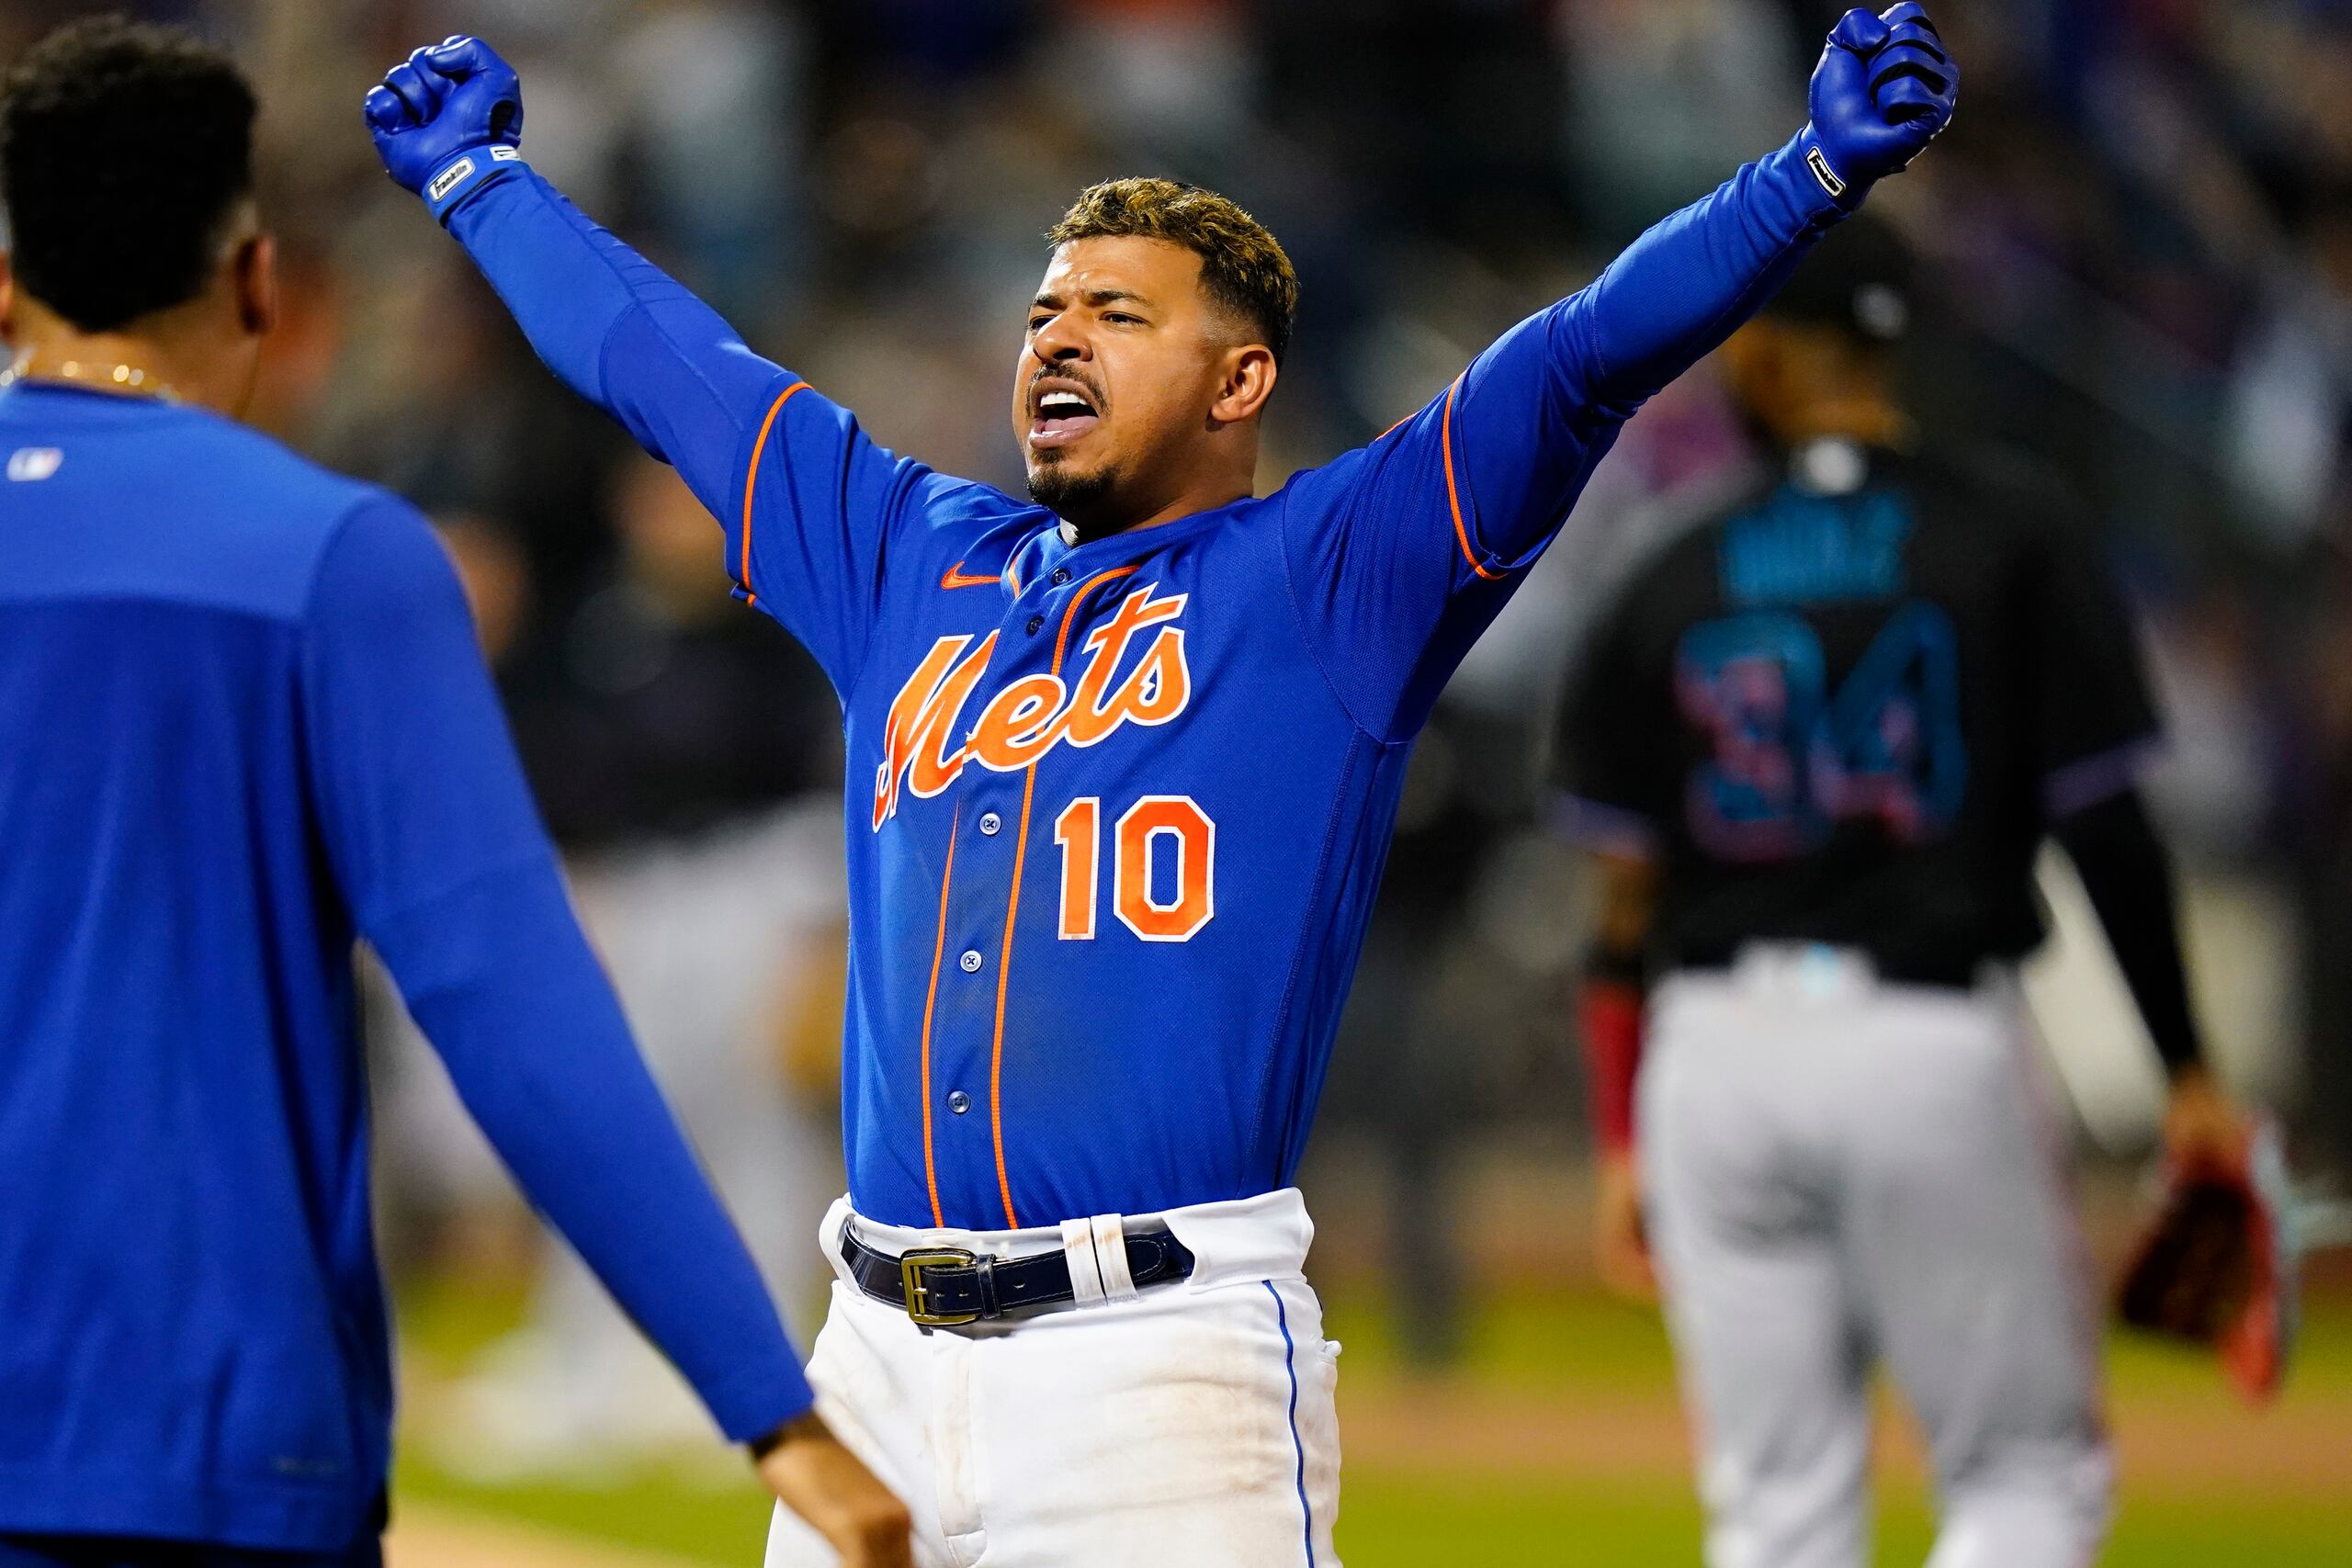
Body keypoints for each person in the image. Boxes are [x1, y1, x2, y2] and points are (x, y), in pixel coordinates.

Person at [363, 9, 1958, 1563]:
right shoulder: (908, 556)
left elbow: (1581, 359)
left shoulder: (1332, 577)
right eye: (1048, 310)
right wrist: (483, 188)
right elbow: (668, 366)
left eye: (1118, 314)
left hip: (1159, 1372)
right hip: (871, 1359)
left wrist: (1807, 173)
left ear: (1240, 381)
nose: (1055, 334)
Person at [0, 20, 908, 1568]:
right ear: (261, 288)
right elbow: (508, 998)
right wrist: (772, 1409)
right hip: (197, 1435)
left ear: (9, 295)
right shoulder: (328, 558)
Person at [1551, 215, 2247, 1568]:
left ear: (1761, 350)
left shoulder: (1664, 563)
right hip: (1926, 1039)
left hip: (1713, 1056)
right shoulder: (2009, 529)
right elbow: (2105, 824)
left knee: (1777, 1508)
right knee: (2024, 1480)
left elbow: (1622, 897)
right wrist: (2187, 1069)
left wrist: (1622, 1133)